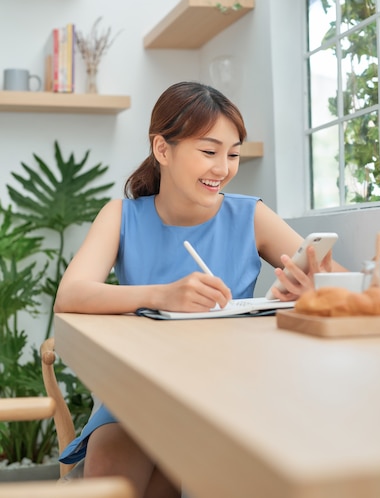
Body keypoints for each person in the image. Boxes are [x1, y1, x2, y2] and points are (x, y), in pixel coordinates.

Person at [54, 81, 344, 497]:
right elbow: (72, 294)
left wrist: (312, 293)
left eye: (233, 154)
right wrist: (161, 295)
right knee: (110, 471)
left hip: (230, 395)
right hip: (138, 391)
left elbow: (344, 286)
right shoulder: (121, 216)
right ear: (163, 150)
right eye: (209, 152)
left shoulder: (251, 215)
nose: (223, 168)